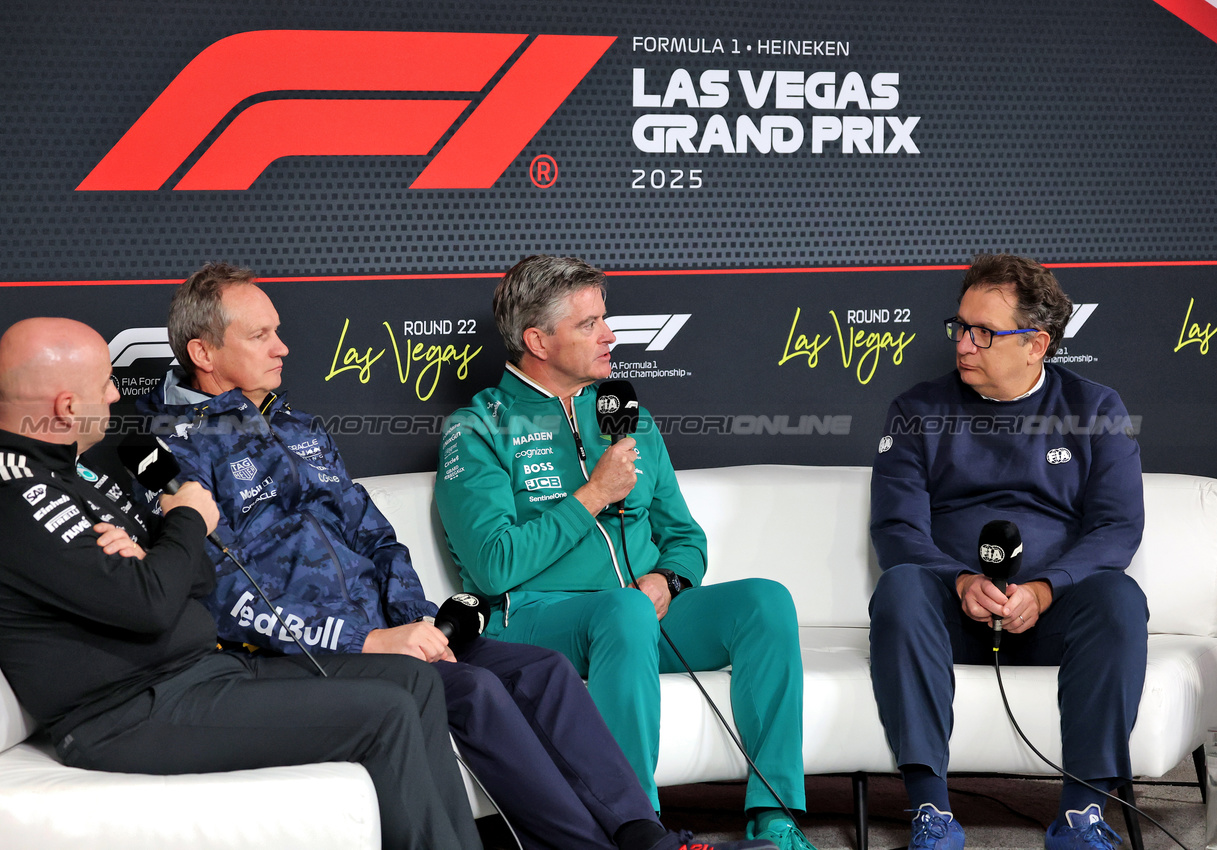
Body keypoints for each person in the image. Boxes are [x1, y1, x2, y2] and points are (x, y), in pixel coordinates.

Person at [137, 262, 769, 850]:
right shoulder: (172, 452)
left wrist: (423, 625)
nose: (283, 348)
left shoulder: (300, 428)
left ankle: (644, 836)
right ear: (203, 352)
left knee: (542, 672)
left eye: (279, 332)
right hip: (308, 654)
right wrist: (368, 643)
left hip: (394, 633)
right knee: (474, 690)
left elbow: (375, 538)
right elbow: (225, 594)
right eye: (262, 336)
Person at [0, 318, 482, 850]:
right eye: (106, 384)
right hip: (127, 713)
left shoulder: (76, 475)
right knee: (385, 713)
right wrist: (182, 527)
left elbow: (196, 574)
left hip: (205, 672)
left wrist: (161, 554)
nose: (115, 396)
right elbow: (154, 602)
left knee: (412, 682)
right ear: (67, 407)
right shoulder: (10, 495)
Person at [433, 255, 816, 850]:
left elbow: (685, 537)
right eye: (589, 324)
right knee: (624, 611)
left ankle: (777, 820)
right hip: (536, 621)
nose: (611, 335)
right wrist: (592, 496)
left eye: (604, 319)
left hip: (640, 613)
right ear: (537, 339)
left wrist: (670, 579)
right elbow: (491, 565)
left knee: (764, 603)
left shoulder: (627, 416)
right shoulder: (479, 426)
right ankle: (634, 828)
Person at [868, 254, 1147, 850]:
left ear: (1036, 344)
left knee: (1120, 600)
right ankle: (930, 813)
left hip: (1053, 613)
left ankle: (1081, 818)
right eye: (960, 328)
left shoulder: (1097, 411)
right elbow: (897, 530)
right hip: (953, 612)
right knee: (900, 588)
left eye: (984, 333)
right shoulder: (916, 412)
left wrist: (1047, 589)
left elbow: (1118, 528)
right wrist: (963, 580)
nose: (964, 345)